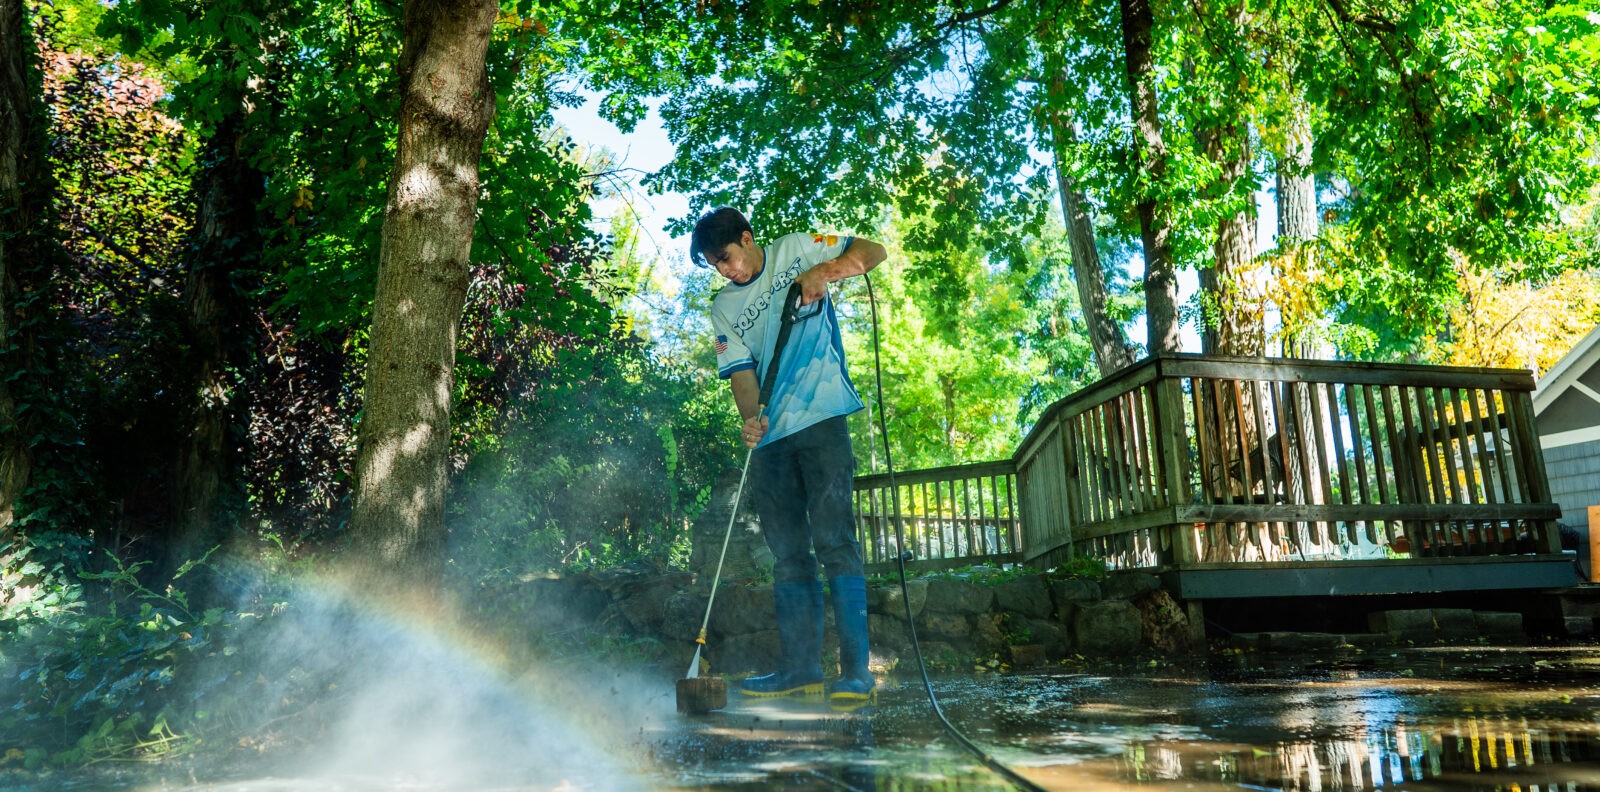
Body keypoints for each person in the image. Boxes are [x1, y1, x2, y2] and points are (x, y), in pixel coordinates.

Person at [690, 206, 887, 703]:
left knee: (835, 541)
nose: (725, 270)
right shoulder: (723, 309)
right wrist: (749, 419)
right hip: (773, 440)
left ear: (747, 238)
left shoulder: (798, 247)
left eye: (726, 258)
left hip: (823, 418)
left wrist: (824, 271)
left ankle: (856, 673)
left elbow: (872, 250)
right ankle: (800, 670)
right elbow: (740, 373)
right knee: (788, 555)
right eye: (716, 265)